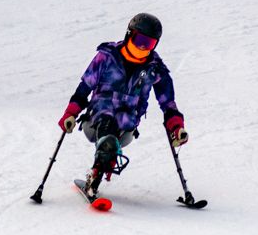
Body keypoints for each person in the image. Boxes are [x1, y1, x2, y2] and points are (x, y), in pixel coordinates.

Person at [60, 13, 188, 196]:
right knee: (107, 119)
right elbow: (84, 88)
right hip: (95, 122)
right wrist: (70, 114)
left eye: (149, 44)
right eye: (140, 40)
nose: (142, 48)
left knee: (117, 122)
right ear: (130, 35)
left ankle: (104, 160)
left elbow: (168, 104)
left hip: (125, 128)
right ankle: (97, 173)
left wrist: (177, 127)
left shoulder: (154, 69)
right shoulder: (107, 57)